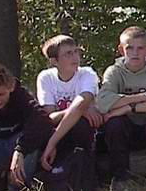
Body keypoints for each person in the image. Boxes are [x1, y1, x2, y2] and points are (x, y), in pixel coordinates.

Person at [96, 26, 146, 188]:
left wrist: (130, 108)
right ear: (121, 49)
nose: (135, 53)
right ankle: (121, 178)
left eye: (140, 48)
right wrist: (139, 98)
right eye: (129, 48)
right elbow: (103, 102)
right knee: (114, 123)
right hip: (126, 132)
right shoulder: (114, 71)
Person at [36, 35, 102, 177]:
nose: (75, 57)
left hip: (83, 132)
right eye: (68, 54)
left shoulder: (87, 74)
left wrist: (52, 143)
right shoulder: (45, 78)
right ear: (54, 61)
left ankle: (87, 175)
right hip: (60, 131)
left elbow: (82, 102)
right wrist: (79, 111)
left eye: (76, 51)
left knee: (81, 123)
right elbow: (50, 117)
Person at [0, 63, 54, 191]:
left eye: (1, 94)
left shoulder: (21, 97)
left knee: (31, 143)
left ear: (10, 88)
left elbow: (42, 120)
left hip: (17, 147)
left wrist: (20, 149)